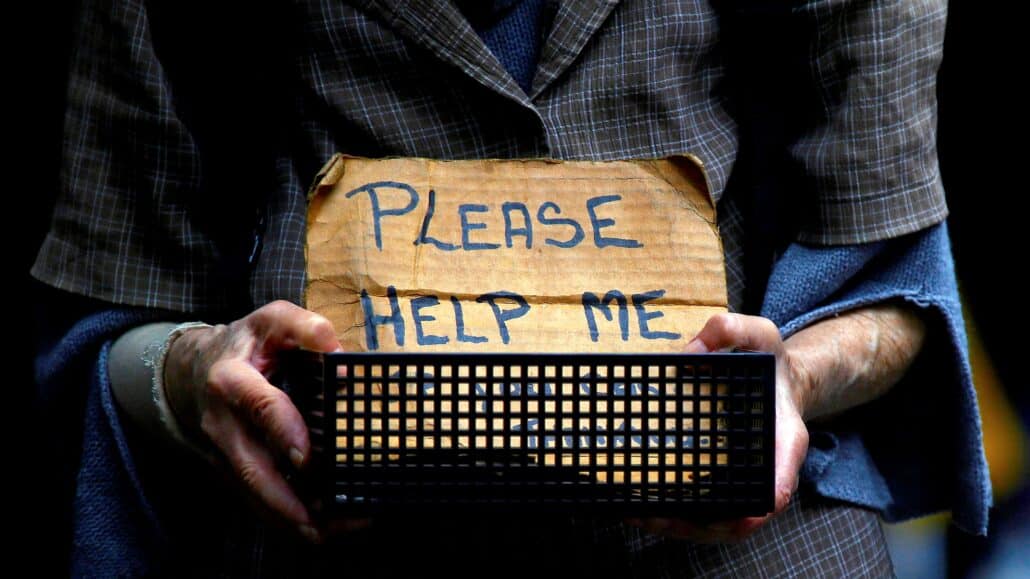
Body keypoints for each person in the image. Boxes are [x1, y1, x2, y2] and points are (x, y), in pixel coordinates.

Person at [33, 0, 989, 576]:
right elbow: (101, 327)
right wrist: (191, 374)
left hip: (744, 554)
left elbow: (895, 269)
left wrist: (794, 380)